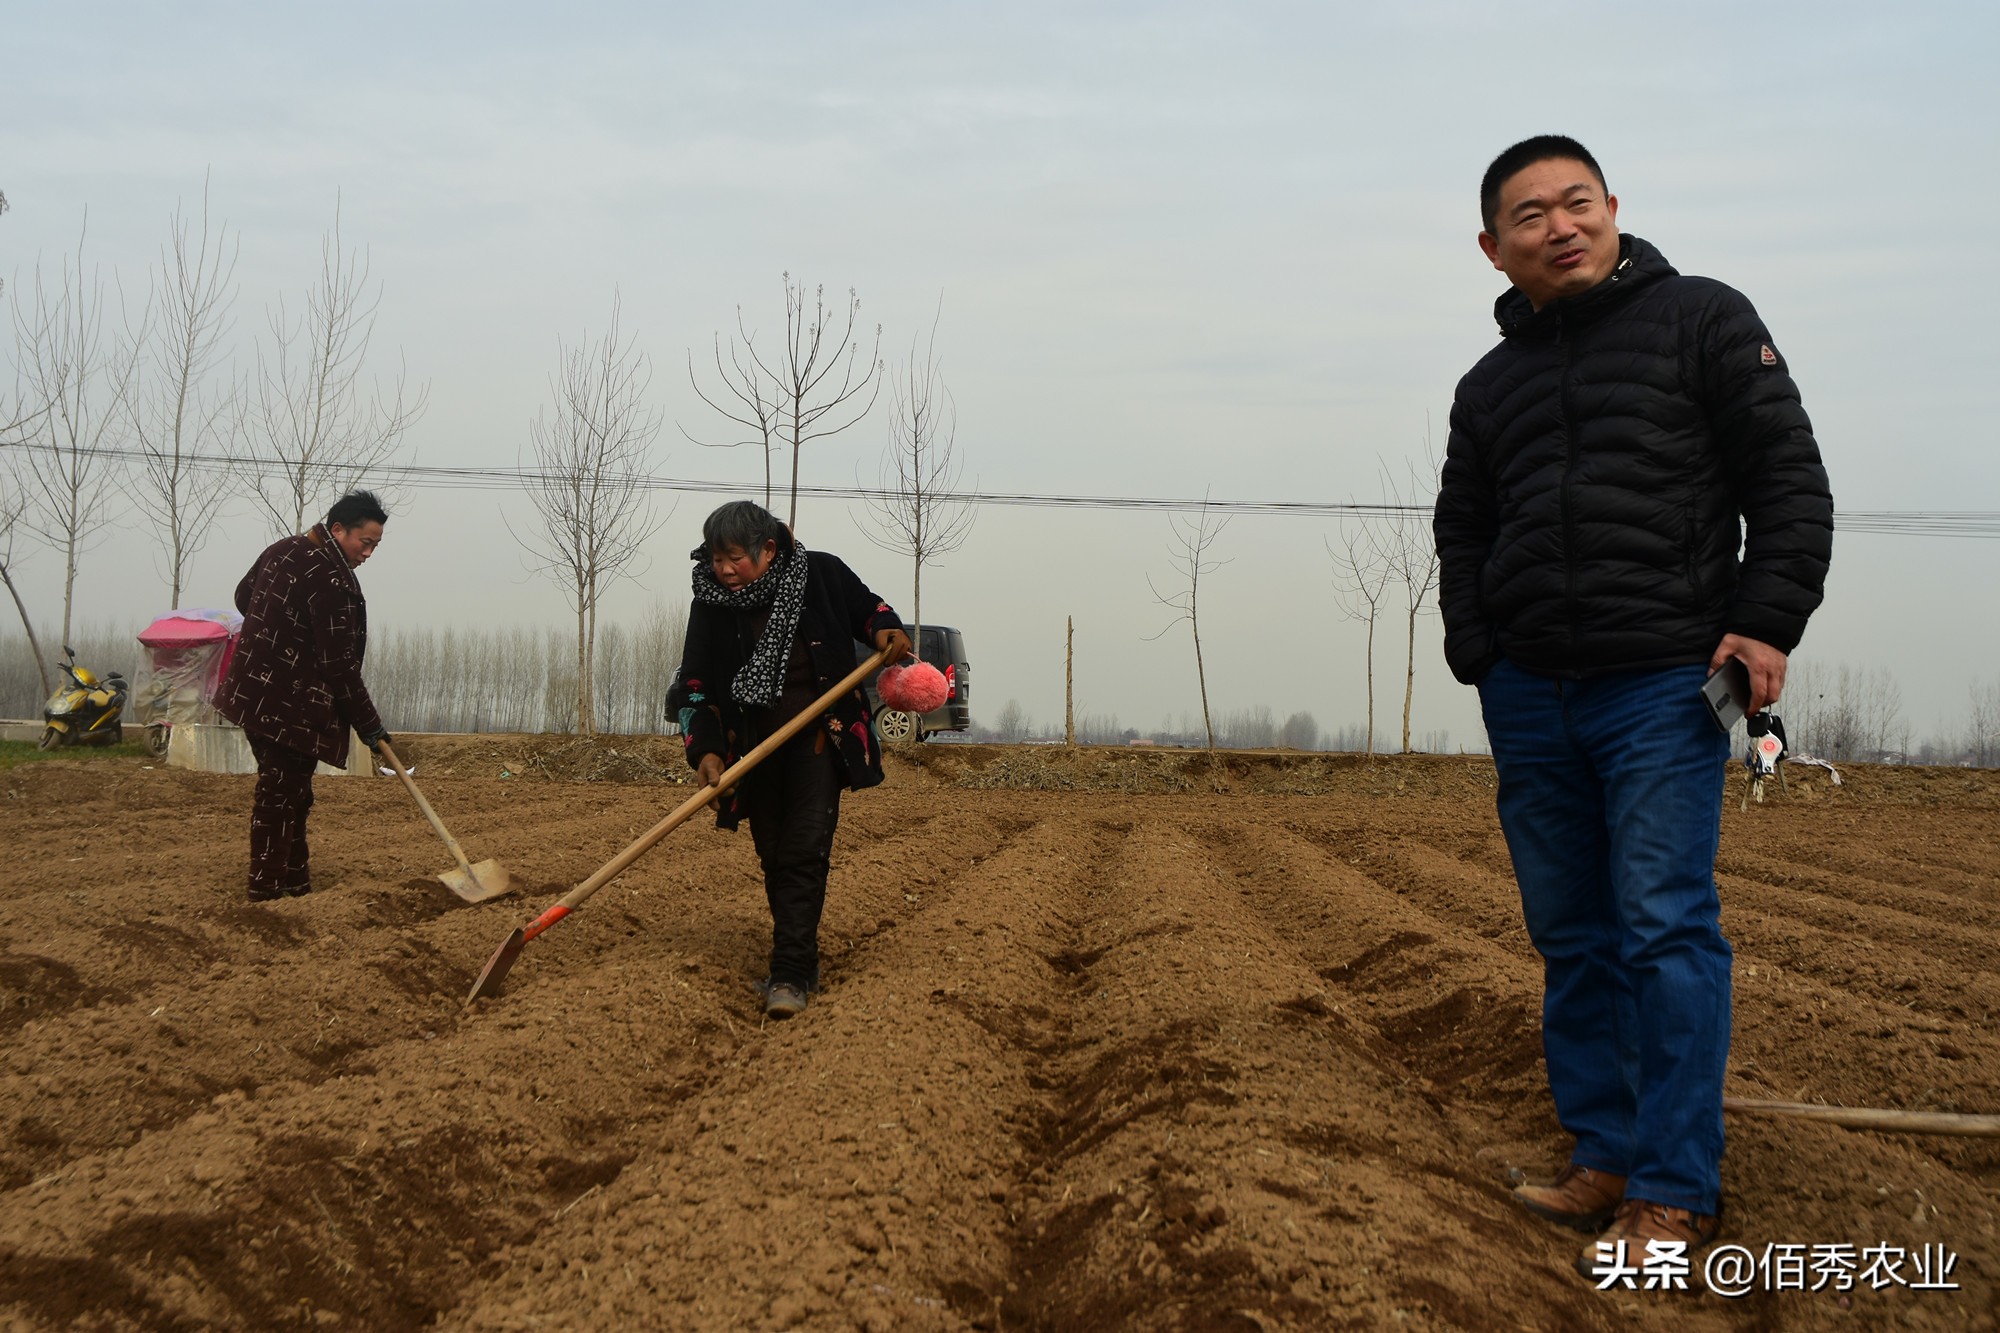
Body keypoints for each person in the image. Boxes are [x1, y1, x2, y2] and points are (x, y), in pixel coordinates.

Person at [1433, 136, 1833, 1279]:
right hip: (1531, 692)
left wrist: (1765, 622)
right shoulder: (1487, 385)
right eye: (1528, 215)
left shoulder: (1702, 319)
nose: (1558, 226)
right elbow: (1460, 527)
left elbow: (1787, 478)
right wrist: (1478, 649)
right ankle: (1602, 1152)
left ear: (1611, 209)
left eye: (1575, 203)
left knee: (1661, 920)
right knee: (1571, 933)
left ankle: (1670, 1186)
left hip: (1661, 678)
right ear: (1490, 248)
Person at [667, 501, 912, 1020]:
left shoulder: (819, 574)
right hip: (752, 748)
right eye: (716, 559)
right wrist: (706, 750)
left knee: (804, 853)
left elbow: (870, 610)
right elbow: (692, 684)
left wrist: (885, 630)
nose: (724, 570)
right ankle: (800, 959)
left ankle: (790, 973)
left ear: (769, 549)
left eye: (735, 558)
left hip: (818, 741)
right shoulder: (710, 603)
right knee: (775, 856)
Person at [216, 490, 394, 902]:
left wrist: (282, 630)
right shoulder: (331, 580)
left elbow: (244, 597)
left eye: (375, 546)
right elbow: (339, 665)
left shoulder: (282, 550)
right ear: (337, 529)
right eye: (364, 542)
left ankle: (295, 884)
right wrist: (370, 727)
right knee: (280, 795)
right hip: (287, 705)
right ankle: (266, 890)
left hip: (251, 693)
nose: (368, 553)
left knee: (292, 792)